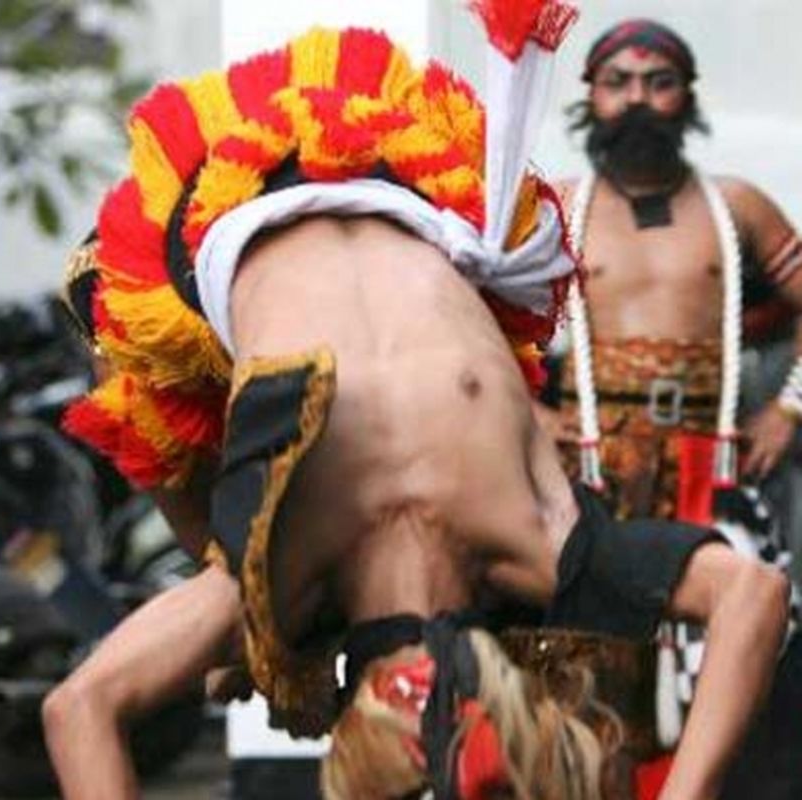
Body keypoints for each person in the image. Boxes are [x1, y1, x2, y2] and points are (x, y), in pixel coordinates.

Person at [43, 8, 789, 800]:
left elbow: (753, 595)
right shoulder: (287, 576)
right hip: (343, 184)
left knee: (178, 461)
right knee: (188, 484)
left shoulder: (520, 541)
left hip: (382, 180)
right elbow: (78, 708)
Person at [546, 18, 802, 797]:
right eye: (618, 83)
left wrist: (788, 410)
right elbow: (486, 326)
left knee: (738, 646)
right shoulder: (559, 208)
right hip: (588, 470)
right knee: (583, 665)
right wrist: (528, 419)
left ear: (686, 96)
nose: (638, 100)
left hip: (711, 470)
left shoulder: (737, 208)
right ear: (591, 96)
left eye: (658, 82)